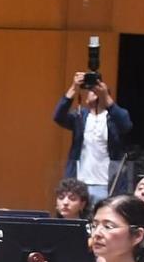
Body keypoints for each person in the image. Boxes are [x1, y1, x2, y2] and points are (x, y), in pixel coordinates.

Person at [53, 70, 130, 202]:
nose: (92, 92)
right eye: (90, 90)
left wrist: (106, 96)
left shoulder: (113, 117)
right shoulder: (80, 116)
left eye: (96, 91)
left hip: (107, 184)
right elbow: (58, 116)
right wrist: (74, 87)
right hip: (80, 183)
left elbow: (126, 124)